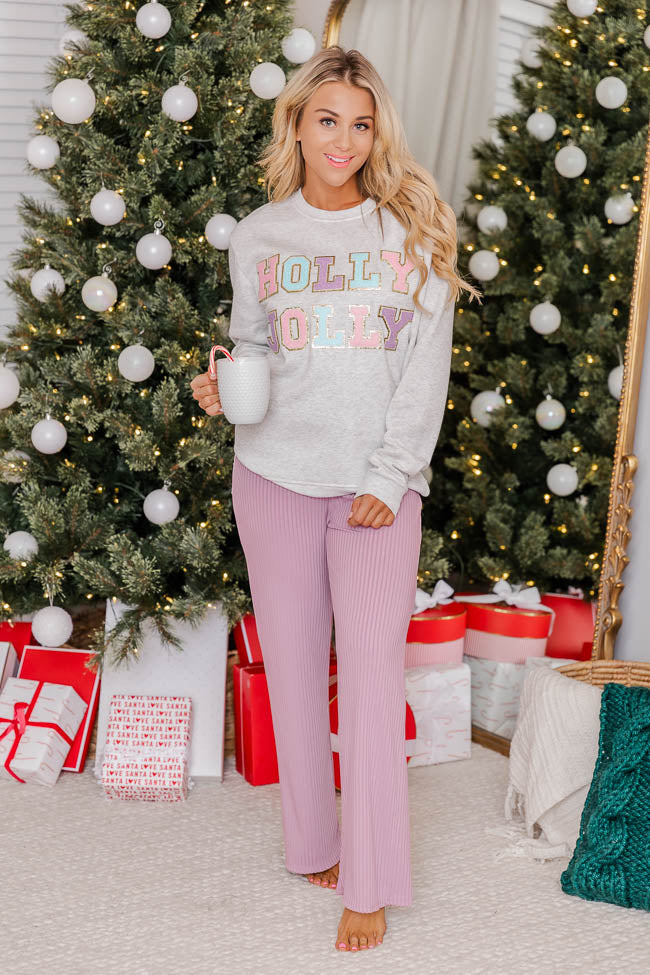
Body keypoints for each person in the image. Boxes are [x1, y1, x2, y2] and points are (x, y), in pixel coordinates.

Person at [191, 44, 482, 952]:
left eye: (360, 124)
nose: (344, 141)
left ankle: (372, 878)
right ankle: (312, 842)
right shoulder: (258, 235)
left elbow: (425, 370)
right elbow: (256, 349)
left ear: (376, 133)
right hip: (271, 474)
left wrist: (389, 475)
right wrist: (223, 386)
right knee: (291, 668)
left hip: (374, 492)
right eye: (327, 121)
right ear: (298, 126)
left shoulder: (412, 232)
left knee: (370, 675)